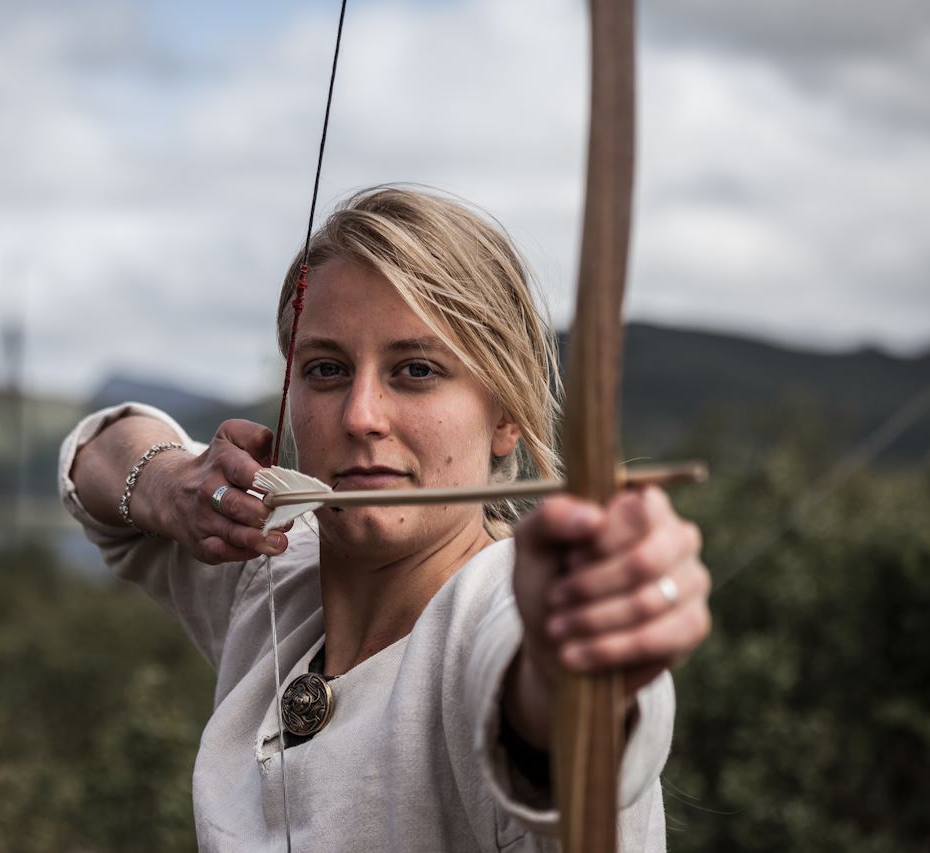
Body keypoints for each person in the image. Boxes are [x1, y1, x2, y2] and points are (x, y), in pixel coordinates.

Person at [60, 186, 711, 852]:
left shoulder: (502, 609)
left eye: (417, 370)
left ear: (507, 415)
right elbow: (93, 461)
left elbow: (559, 728)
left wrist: (577, 656)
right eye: (326, 369)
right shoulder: (271, 567)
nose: (360, 415)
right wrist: (172, 484)